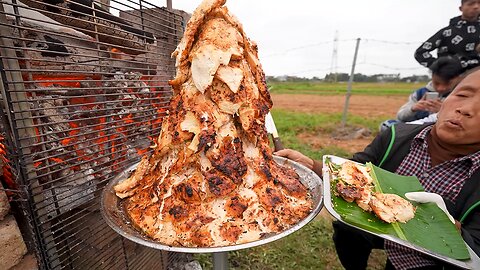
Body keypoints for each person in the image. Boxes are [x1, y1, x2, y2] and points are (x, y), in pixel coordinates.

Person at [275, 67, 480, 269]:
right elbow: (357, 167)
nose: (466, 109)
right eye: (462, 94)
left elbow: (475, 249)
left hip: (428, 255)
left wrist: (453, 231)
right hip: (376, 223)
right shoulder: (396, 136)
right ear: (445, 99)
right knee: (346, 229)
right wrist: (312, 166)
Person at [414, 0, 480, 71]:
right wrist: (440, 67)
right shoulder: (447, 32)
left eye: (479, 3)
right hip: (453, 77)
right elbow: (420, 53)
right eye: (470, 4)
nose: (476, 6)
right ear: (461, 8)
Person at [397, 56, 464, 123]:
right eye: (436, 83)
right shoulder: (420, 93)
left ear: (459, 78)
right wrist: (413, 109)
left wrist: (445, 112)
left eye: (447, 84)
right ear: (432, 76)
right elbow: (400, 117)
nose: (440, 88)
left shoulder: (463, 97)